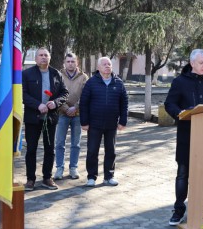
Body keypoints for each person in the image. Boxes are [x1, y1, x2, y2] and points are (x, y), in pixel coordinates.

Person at [164, 49, 203, 225]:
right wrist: (180, 112)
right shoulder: (180, 82)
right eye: (201, 63)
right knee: (183, 173)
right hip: (186, 135)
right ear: (192, 63)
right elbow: (169, 104)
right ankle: (178, 209)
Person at [22, 48, 68, 191]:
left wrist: (55, 103)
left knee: (50, 149)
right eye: (40, 55)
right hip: (32, 118)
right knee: (31, 149)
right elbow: (22, 94)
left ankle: (47, 178)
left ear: (49, 58)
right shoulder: (27, 74)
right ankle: (30, 179)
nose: (43, 58)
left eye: (46, 55)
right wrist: (38, 105)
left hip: (50, 118)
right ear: (36, 59)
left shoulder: (56, 74)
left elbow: (64, 93)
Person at [79, 57, 128, 187]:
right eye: (104, 64)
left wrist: (123, 121)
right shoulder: (91, 83)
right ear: (98, 68)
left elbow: (124, 103)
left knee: (111, 151)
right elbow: (84, 103)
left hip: (112, 124)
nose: (107, 66)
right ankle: (91, 177)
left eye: (109, 64)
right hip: (94, 124)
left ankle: (109, 176)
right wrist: (84, 122)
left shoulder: (118, 83)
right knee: (92, 151)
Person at [53, 53, 88, 180]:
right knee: (60, 143)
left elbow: (85, 95)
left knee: (76, 143)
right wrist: (66, 108)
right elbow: (55, 94)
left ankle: (73, 168)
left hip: (78, 114)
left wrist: (75, 107)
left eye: (73, 61)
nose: (70, 64)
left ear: (77, 63)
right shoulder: (58, 75)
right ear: (64, 63)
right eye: (68, 61)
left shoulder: (84, 77)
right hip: (62, 114)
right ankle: (59, 168)